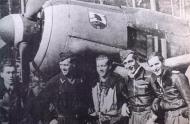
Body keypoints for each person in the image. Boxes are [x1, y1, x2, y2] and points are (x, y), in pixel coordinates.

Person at [41, 52, 90, 124]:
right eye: (61, 65)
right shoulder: (53, 82)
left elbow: (87, 100)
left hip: (79, 120)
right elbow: (42, 105)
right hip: (62, 121)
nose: (63, 68)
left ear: (73, 65)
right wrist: (50, 120)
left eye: (66, 65)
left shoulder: (81, 81)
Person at [147, 52, 190, 124]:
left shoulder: (176, 77)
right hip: (167, 117)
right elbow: (160, 97)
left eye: (157, 64)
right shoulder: (155, 79)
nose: (155, 68)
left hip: (180, 116)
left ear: (163, 62)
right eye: (151, 66)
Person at [119, 50, 157, 124]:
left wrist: (153, 117)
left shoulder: (150, 75)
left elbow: (159, 97)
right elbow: (124, 95)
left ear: (137, 60)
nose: (128, 65)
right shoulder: (127, 79)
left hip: (148, 116)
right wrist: (124, 104)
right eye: (125, 63)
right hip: (133, 116)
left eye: (130, 61)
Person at [91, 54, 124, 124]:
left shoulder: (118, 82)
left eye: (103, 66)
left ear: (109, 66)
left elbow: (125, 103)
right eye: (98, 66)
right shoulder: (94, 82)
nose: (100, 69)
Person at [0, 58, 24, 124]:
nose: (11, 76)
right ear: (1, 74)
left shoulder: (22, 89)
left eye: (13, 72)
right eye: (8, 73)